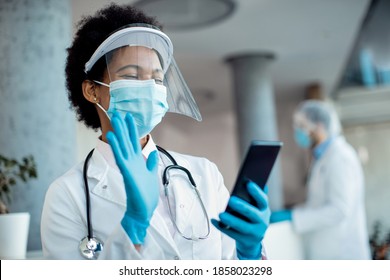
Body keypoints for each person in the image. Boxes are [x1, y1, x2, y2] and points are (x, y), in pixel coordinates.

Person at [40, 3, 270, 260]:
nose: (149, 88)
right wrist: (134, 225)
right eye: (132, 75)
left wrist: (249, 253)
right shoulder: (66, 195)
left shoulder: (204, 175)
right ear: (92, 90)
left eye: (157, 79)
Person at [270, 100, 371, 259]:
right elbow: (319, 203)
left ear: (319, 126)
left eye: (302, 126)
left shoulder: (340, 157)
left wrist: (295, 217)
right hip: (327, 252)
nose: (298, 131)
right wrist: (293, 212)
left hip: (344, 254)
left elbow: (339, 210)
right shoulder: (321, 158)